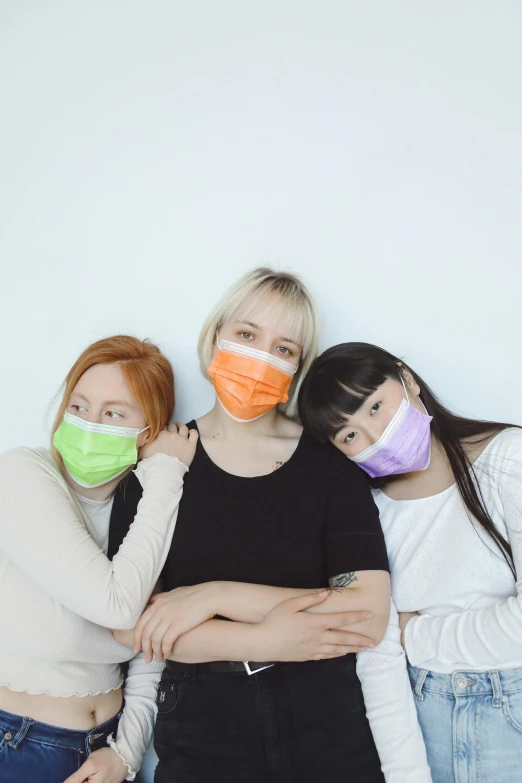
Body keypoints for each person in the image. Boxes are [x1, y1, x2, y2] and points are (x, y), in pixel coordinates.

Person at [111, 268, 392, 783]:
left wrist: (209, 598)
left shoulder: (331, 465)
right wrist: (268, 640)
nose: (261, 356)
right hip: (203, 731)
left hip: (327, 725)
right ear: (215, 335)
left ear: (297, 368)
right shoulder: (160, 465)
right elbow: (131, 624)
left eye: (284, 348)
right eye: (246, 334)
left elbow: (366, 615)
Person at [298, 340, 522, 783]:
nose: (373, 435)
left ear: (408, 378)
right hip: (421, 720)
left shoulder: (508, 458)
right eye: (348, 435)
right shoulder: (365, 513)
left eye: (376, 406)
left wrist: (412, 634)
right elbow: (375, 656)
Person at [0, 335, 198, 783]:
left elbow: (151, 651)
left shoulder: (145, 511)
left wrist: (126, 754)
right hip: (20, 744)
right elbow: (118, 606)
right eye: (78, 406)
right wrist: (168, 473)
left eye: (113, 413)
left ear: (146, 432)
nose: (89, 423)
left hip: (105, 751)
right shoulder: (20, 474)